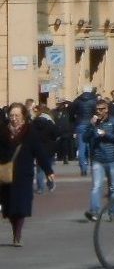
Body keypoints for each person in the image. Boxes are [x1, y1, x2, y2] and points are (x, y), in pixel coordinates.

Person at [0, 102, 56, 246]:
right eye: (11, 115)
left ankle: (17, 235)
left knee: (21, 205)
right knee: (10, 207)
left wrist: (48, 170)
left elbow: (39, 152)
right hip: (7, 174)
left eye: (17, 115)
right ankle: (15, 230)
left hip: (24, 175)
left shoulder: (30, 132)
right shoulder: (3, 131)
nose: (14, 118)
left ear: (23, 116)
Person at [84, 97, 114, 222]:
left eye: (102, 109)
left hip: (112, 158)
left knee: (112, 187)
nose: (99, 112)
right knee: (96, 186)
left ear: (107, 109)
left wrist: (106, 134)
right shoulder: (93, 121)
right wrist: (91, 126)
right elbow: (85, 139)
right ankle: (94, 212)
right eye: (97, 109)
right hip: (98, 159)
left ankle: (112, 212)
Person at [29, 105, 59, 195]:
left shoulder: (33, 123)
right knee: (48, 167)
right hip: (49, 149)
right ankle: (50, 184)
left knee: (39, 169)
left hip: (38, 149)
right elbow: (55, 135)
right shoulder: (50, 123)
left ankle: (40, 188)